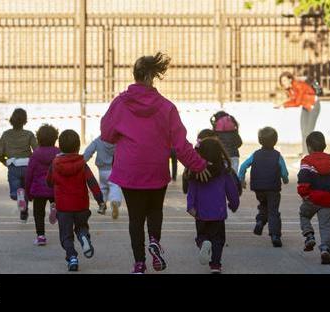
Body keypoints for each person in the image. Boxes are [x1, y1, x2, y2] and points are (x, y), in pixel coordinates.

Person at [100, 52, 210, 274]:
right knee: (154, 210)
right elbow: (180, 145)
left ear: (136, 75)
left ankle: (139, 264)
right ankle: (154, 241)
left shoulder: (120, 103)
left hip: (129, 170)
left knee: (135, 218)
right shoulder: (166, 106)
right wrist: (198, 165)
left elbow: (106, 134)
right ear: (152, 76)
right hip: (156, 169)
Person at [46, 130, 106, 272]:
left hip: (64, 208)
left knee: (66, 236)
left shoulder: (55, 164)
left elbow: (48, 181)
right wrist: (100, 201)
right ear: (78, 147)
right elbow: (92, 183)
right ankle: (84, 236)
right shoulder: (82, 164)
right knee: (81, 227)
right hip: (81, 206)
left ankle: (72, 257)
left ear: (60, 146)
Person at [186, 138, 240, 274]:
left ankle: (203, 243)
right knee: (218, 240)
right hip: (218, 213)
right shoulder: (224, 172)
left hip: (200, 213)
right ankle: (215, 265)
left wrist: (190, 206)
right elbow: (232, 192)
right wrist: (234, 205)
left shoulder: (195, 173)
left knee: (201, 235)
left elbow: (191, 191)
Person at [297, 131, 330, 265]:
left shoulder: (307, 161)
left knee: (304, 215)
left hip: (311, 199)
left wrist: (305, 194)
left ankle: (309, 236)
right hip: (326, 201)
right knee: (326, 226)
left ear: (309, 147)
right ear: (324, 145)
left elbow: (303, 179)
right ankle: (325, 249)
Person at [237, 127, 289, 247]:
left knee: (264, 205)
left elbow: (243, 166)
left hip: (258, 187)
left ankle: (260, 221)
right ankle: (275, 235)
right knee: (273, 211)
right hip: (273, 188)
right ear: (275, 140)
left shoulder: (255, 155)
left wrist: (241, 180)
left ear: (260, 141)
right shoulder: (277, 156)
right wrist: (285, 180)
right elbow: (284, 172)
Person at [0, 108, 38, 223]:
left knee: (16, 191)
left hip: (13, 165)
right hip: (27, 166)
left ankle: (17, 194)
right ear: (25, 121)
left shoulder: (6, 135)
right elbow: (37, 150)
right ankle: (24, 213)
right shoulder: (29, 134)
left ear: (11, 120)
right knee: (25, 189)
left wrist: (4, 161)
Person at [25, 124, 60, 246]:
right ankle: (63, 232)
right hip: (55, 188)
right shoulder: (58, 153)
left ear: (38, 138)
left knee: (38, 213)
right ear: (55, 138)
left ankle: (41, 236)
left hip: (38, 189)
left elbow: (29, 174)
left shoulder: (35, 154)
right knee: (61, 209)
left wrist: (27, 192)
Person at [275, 72, 320, 156]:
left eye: (284, 80)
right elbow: (293, 99)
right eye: (282, 81)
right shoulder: (290, 89)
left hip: (313, 105)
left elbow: (297, 102)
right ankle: (305, 152)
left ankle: (309, 153)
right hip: (305, 106)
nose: (283, 83)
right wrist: (282, 104)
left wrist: (283, 105)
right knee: (303, 130)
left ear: (290, 79)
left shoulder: (298, 85)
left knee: (309, 131)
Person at [83, 136, 123, 219]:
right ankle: (115, 202)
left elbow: (88, 151)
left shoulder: (98, 140)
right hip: (114, 169)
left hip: (102, 171)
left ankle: (102, 205)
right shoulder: (118, 140)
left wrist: (82, 161)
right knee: (115, 187)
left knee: (103, 188)